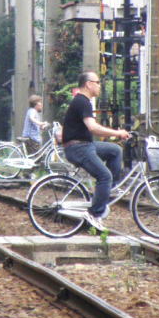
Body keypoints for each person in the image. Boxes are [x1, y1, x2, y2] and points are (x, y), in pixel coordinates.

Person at [61, 71, 130, 230]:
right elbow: (93, 128)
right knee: (104, 175)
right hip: (78, 148)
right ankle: (94, 214)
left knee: (115, 151)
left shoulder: (84, 101)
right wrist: (117, 133)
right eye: (97, 82)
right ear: (88, 84)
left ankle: (106, 191)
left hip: (85, 145)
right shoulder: (82, 102)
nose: (99, 85)